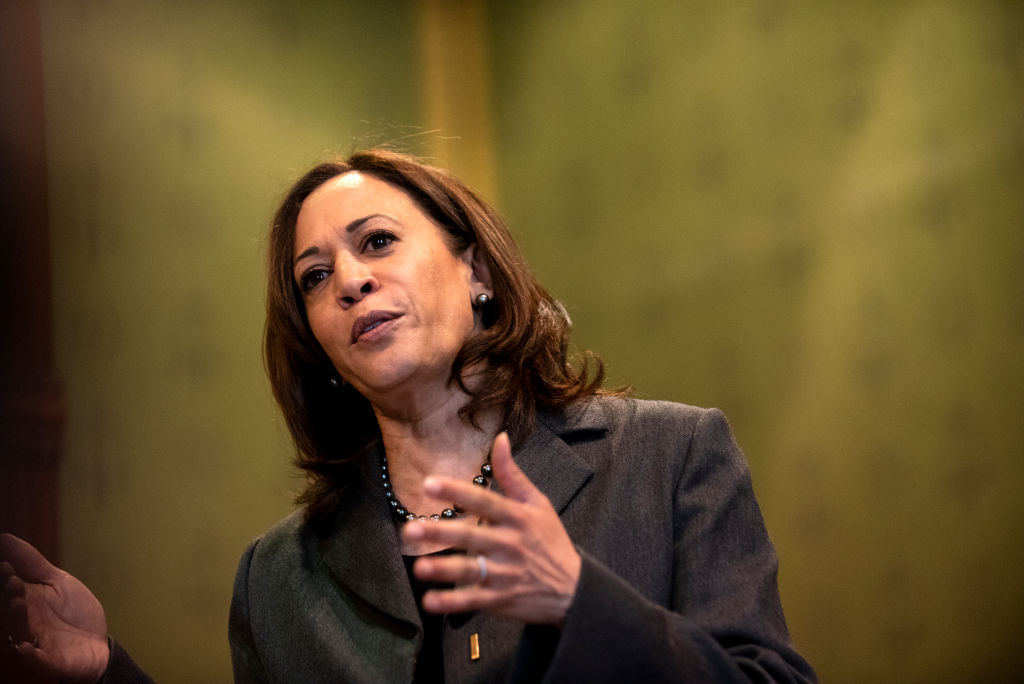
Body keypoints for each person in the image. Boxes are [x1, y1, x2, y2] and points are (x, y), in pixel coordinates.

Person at [2, 149, 817, 683]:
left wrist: (581, 602)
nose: (350, 281)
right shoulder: (277, 578)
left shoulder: (671, 458)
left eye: (378, 242)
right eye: (315, 277)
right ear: (320, 346)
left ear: (478, 272)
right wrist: (106, 671)